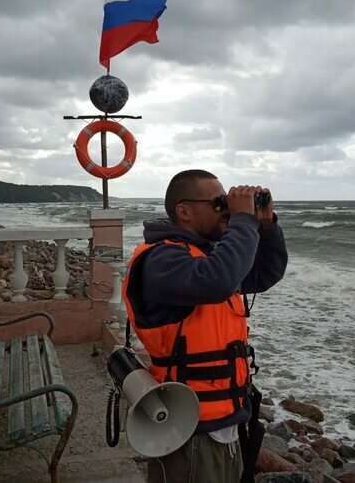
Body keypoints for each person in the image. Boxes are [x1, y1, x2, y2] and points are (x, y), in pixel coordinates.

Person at [121, 169, 288, 483]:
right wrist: (242, 221)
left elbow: (266, 273)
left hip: (226, 418)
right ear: (184, 211)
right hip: (186, 426)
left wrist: (265, 227)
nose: (226, 210)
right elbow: (218, 280)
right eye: (219, 203)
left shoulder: (206, 256)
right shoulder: (162, 260)